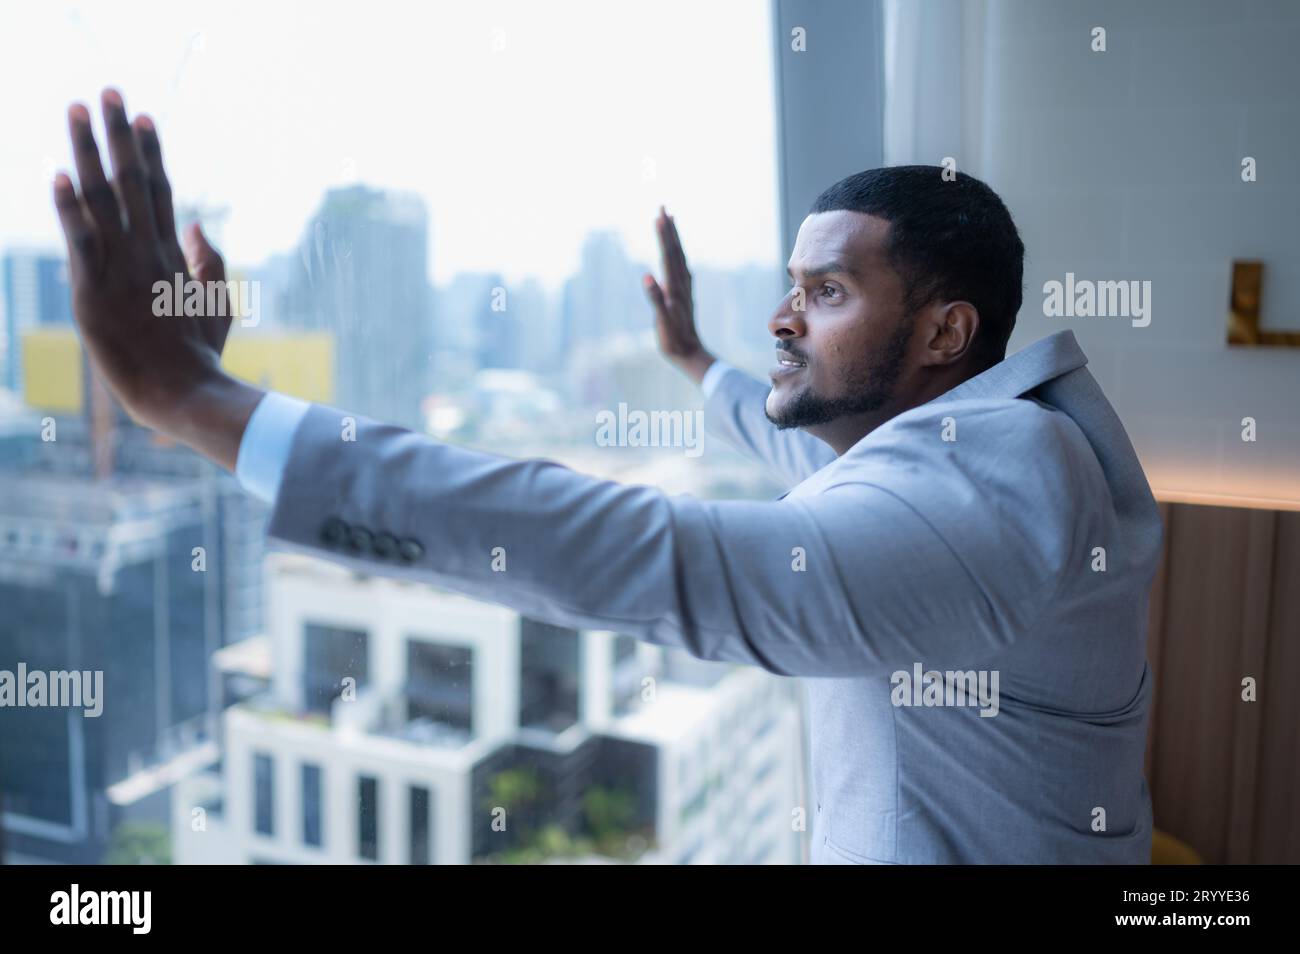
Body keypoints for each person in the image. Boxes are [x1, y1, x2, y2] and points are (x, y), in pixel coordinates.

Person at [52, 88, 1162, 864]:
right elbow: (804, 455)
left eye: (823, 293)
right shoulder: (971, 449)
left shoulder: (1004, 488)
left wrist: (200, 403)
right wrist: (693, 361)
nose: (780, 317)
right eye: (789, 284)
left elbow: (672, 558)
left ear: (943, 332)